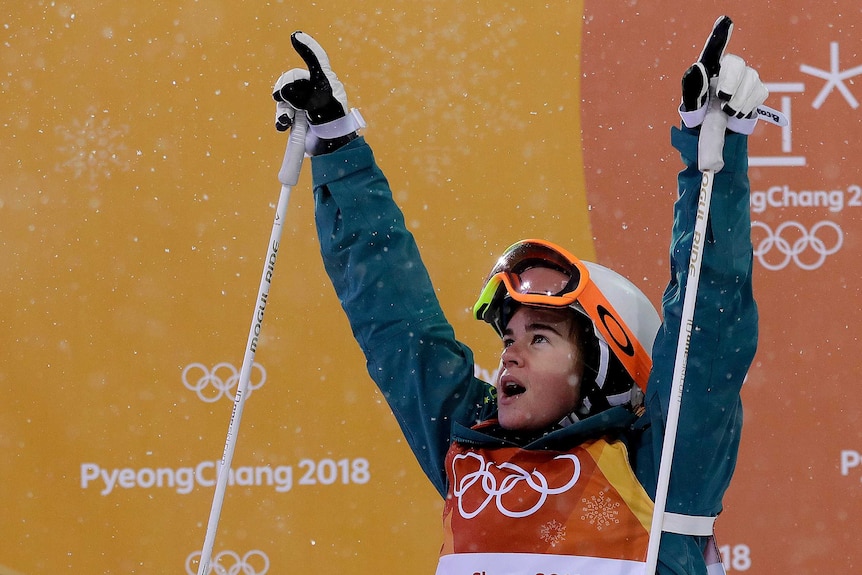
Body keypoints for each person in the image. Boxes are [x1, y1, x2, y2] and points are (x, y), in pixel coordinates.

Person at [272, 16, 764, 575]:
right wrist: (337, 149)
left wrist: (714, 158)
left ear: (605, 372)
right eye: (509, 335)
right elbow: (395, 323)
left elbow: (707, 336)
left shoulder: (662, 472)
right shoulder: (470, 449)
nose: (510, 352)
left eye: (541, 335)